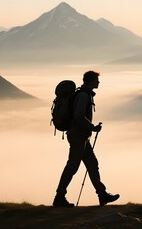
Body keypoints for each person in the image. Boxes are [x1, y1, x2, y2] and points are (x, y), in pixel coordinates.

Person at [53, 71, 119, 207]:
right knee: (72, 166)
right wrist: (92, 127)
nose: (98, 83)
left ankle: (102, 194)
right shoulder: (84, 96)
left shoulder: (83, 94)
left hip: (81, 136)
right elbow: (78, 115)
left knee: (92, 164)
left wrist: (90, 128)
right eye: (97, 80)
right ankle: (59, 197)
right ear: (91, 81)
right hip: (78, 136)